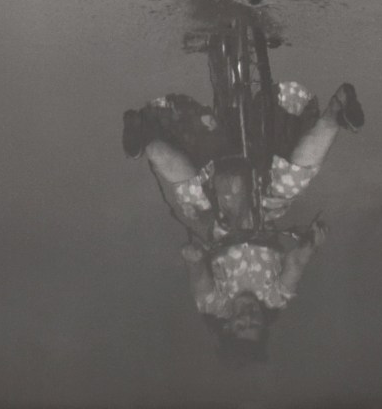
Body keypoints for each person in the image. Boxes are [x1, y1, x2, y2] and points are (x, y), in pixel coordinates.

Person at [123, 44, 364, 365]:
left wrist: (193, 258)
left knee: (187, 185)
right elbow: (294, 267)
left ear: (227, 326)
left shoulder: (213, 305)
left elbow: (199, 277)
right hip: (263, 210)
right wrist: (309, 246)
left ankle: (145, 137)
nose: (248, 317)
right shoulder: (276, 298)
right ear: (265, 325)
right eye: (255, 324)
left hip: (216, 218)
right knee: (296, 175)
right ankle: (338, 111)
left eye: (240, 325)